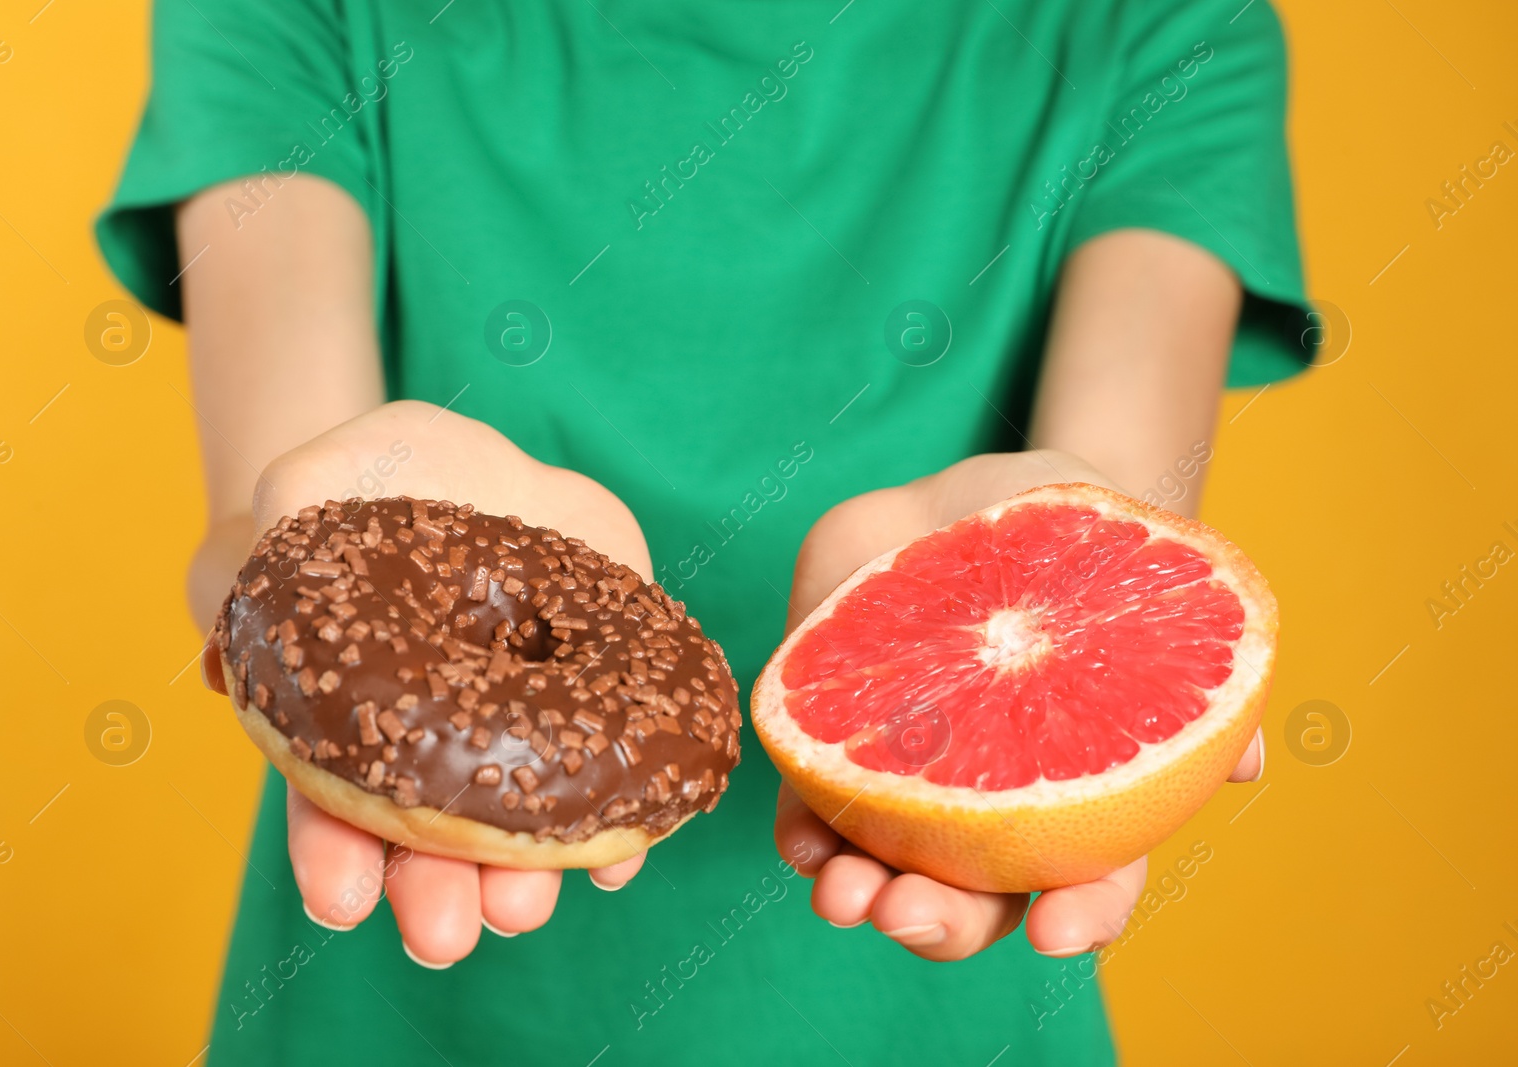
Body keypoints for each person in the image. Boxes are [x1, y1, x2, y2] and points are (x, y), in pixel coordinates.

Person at [97, 0, 1307, 1062]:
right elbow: (271, 509)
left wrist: (1049, 565)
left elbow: (1107, 514)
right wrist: (281, 551)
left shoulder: (1162, 23)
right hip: (383, 1016)